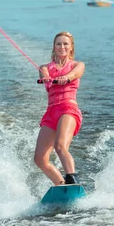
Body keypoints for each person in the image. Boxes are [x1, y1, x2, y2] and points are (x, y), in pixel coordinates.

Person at [34, 31, 85, 186]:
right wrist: (47, 78)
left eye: (65, 44)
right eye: (58, 44)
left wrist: (66, 78)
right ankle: (61, 185)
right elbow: (46, 80)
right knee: (40, 159)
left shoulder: (77, 65)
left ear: (71, 47)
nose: (62, 47)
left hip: (68, 109)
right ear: (54, 47)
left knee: (60, 146)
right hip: (51, 113)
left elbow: (75, 74)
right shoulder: (45, 68)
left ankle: (73, 180)